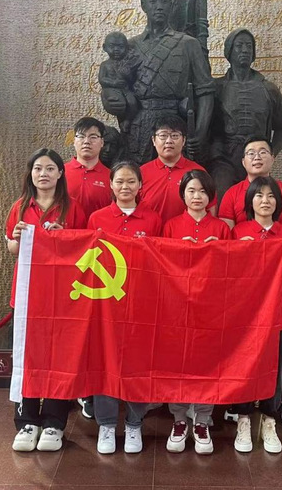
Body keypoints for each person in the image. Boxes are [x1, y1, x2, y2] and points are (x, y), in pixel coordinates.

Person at [5, 148, 87, 452]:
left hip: (62, 295)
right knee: (27, 355)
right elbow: (11, 248)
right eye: (38, 168)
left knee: (59, 357)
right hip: (27, 294)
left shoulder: (73, 208)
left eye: (50, 168)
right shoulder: (19, 206)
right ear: (30, 173)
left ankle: (54, 421)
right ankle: (27, 421)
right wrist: (17, 238)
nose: (43, 174)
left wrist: (63, 237)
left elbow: (84, 251)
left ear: (60, 173)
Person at [218, 136, 282, 426]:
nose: (257, 157)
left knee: (281, 344)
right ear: (243, 161)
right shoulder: (232, 194)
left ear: (273, 158)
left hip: (277, 282)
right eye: (251, 153)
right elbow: (228, 244)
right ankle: (238, 399)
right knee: (241, 341)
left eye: (263, 152)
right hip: (244, 286)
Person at [87, 161, 162, 454]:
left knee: (137, 362)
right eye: (119, 181)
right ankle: (106, 424)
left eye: (131, 181)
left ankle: (134, 423)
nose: (125, 187)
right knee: (103, 361)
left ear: (140, 185)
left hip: (141, 302)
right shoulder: (97, 218)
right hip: (105, 303)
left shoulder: (153, 219)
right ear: (111, 185)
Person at [101, 0, 215, 164]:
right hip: (139, 124)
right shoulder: (129, 46)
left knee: (177, 176)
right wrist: (109, 101)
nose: (159, 6)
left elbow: (206, 91)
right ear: (143, 5)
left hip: (176, 123)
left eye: (164, 1)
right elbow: (116, 83)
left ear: (171, 5)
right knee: (138, 177)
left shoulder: (188, 44)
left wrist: (200, 132)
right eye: (153, 1)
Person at [230, 176, 282, 454]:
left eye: (271, 196)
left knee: (275, 365)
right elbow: (229, 273)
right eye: (259, 195)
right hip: (245, 312)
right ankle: (244, 418)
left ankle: (270, 420)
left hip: (276, 310)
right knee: (245, 363)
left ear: (278, 203)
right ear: (250, 201)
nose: (265, 200)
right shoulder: (239, 231)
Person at [161, 169, 230, 455]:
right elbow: (160, 265)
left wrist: (219, 250)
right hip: (177, 307)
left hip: (211, 307)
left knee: (207, 363)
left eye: (202, 191)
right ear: (183, 195)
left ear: (210, 195)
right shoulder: (171, 226)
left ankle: (202, 420)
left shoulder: (222, 228)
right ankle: (179, 419)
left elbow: (231, 269)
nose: (197, 196)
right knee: (177, 362)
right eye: (191, 190)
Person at [64, 117, 113, 420]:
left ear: (102, 143)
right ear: (74, 141)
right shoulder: (60, 173)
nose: (87, 142)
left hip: (100, 265)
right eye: (81, 136)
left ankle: (92, 388)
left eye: (93, 136)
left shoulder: (111, 177)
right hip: (67, 263)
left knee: (96, 326)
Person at [209, 28, 282, 204]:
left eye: (249, 46)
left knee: (258, 203)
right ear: (229, 51)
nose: (245, 50)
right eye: (239, 46)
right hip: (225, 159)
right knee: (223, 201)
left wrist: (270, 153)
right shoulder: (217, 88)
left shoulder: (268, 89)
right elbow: (206, 125)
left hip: (256, 158)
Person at [139, 115, 212, 224]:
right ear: (153, 140)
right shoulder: (141, 173)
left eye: (174, 135)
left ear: (184, 140)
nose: (169, 141)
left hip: (186, 233)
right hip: (150, 232)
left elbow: (210, 210)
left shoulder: (198, 172)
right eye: (163, 135)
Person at [98, 32, 140, 134]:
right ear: (104, 47)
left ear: (127, 48)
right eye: (112, 46)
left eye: (120, 47)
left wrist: (127, 75)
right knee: (119, 104)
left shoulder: (127, 64)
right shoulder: (105, 65)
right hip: (112, 90)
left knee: (132, 103)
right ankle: (122, 122)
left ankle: (127, 121)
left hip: (125, 89)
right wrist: (114, 83)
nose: (116, 50)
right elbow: (102, 79)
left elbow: (132, 80)